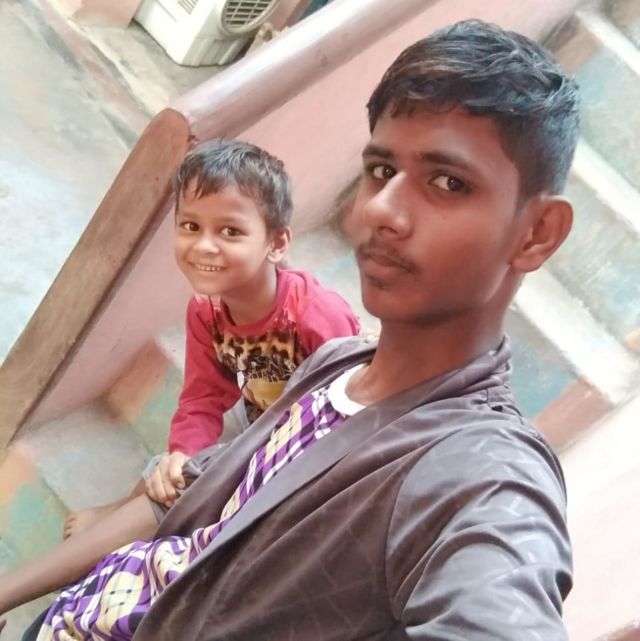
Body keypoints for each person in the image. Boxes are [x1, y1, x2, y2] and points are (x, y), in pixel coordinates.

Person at [0, 18, 579, 640]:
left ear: (536, 233)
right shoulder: (336, 365)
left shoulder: (483, 475)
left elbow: (499, 599)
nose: (380, 210)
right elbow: (190, 491)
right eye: (381, 170)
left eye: (448, 182)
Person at [63, 138, 360, 536]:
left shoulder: (315, 316)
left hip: (304, 439)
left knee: (202, 496)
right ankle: (116, 511)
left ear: (276, 244)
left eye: (230, 231)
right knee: (169, 470)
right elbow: (203, 397)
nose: (204, 246)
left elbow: (347, 410)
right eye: (191, 226)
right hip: (256, 410)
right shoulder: (207, 311)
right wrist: (184, 452)